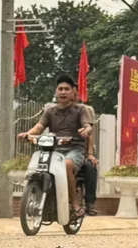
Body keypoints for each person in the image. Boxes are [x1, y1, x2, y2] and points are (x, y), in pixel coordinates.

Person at [18, 75, 90, 217]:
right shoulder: (50, 111)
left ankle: (74, 204)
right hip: (54, 148)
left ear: (72, 93)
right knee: (38, 166)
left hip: (75, 149)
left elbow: (87, 125)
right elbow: (39, 127)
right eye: (60, 89)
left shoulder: (80, 109)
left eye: (66, 89)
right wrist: (27, 134)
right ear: (56, 92)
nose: (63, 92)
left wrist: (86, 129)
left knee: (66, 164)